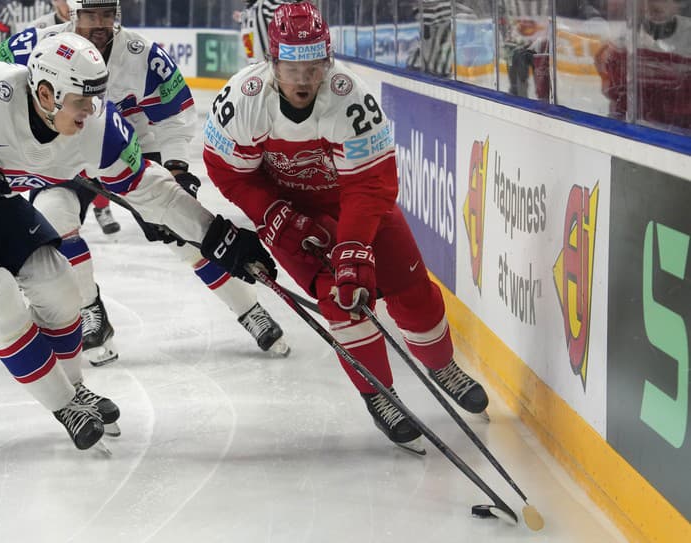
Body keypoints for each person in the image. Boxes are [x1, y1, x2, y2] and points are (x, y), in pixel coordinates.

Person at [0, 32, 276, 451]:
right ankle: (63, 404)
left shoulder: (97, 127)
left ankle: (75, 389)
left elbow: (153, 190)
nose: (92, 110)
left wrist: (217, 235)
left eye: (95, 98)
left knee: (58, 282)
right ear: (45, 93)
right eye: (82, 100)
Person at [203, 2, 490, 451]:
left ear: (327, 60)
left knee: (412, 287)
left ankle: (441, 364)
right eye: (292, 67)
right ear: (273, 60)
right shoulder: (244, 99)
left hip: (356, 205)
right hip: (288, 215)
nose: (303, 79)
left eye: (314, 66)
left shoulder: (350, 97)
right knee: (341, 303)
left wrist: (354, 249)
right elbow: (228, 171)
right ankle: (380, 395)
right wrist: (271, 212)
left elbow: (370, 185)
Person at [0, 0, 291, 366]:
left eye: (106, 14)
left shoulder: (142, 54)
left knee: (183, 236)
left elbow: (175, 114)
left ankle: (249, 309)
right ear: (72, 15)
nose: (99, 24)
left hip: (131, 153)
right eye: (89, 15)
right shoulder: (35, 44)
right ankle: (89, 310)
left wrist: (177, 169)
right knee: (54, 220)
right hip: (66, 153)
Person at [594, 0, 691, 131]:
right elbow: (615, 92)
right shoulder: (624, 40)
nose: (655, 5)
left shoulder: (688, 36)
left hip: (678, 138)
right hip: (632, 134)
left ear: (678, 4)